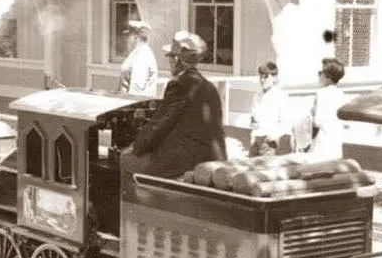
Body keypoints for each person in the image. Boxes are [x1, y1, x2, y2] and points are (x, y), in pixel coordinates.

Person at [120, 30, 226, 180]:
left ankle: (133, 196)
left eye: (170, 57)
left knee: (127, 159)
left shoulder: (179, 84)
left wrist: (136, 147)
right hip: (212, 157)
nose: (169, 61)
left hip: (187, 160)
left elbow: (159, 124)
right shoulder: (209, 86)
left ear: (177, 60)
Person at [306, 57, 347, 161]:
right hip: (336, 145)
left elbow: (317, 122)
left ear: (328, 76)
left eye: (320, 72)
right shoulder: (342, 94)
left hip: (322, 145)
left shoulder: (321, 93)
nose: (319, 75)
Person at [249, 61, 292, 156]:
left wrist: (274, 136)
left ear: (274, 78)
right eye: (261, 77)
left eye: (265, 77)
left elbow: (286, 122)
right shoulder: (257, 96)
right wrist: (253, 125)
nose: (262, 80)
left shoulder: (281, 96)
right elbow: (253, 117)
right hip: (256, 141)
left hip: (269, 143)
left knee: (265, 165)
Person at [119, 20, 158, 97]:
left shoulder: (142, 56)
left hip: (136, 101)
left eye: (127, 36)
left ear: (135, 37)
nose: (126, 39)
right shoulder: (137, 53)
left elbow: (137, 88)